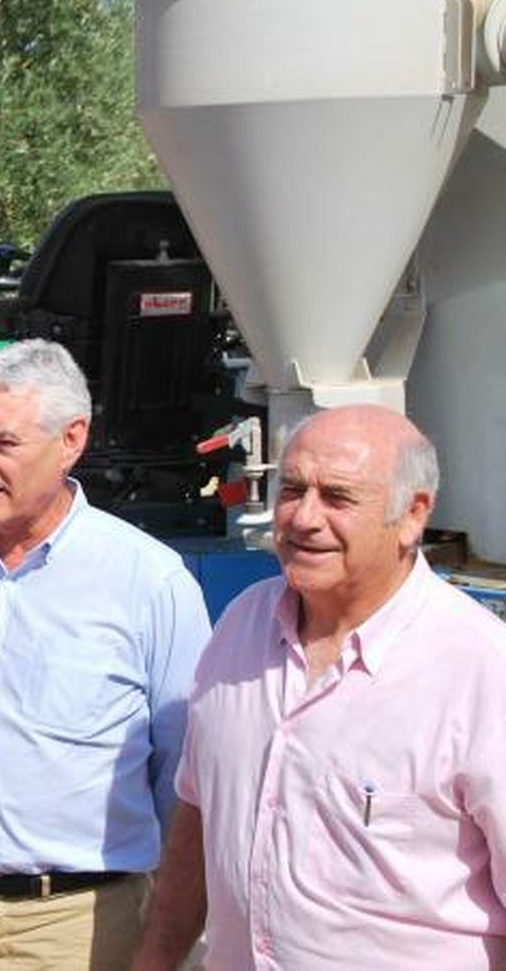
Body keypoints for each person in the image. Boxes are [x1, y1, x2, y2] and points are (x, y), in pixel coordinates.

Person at [133, 405, 506, 970]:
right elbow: (199, 814)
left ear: (413, 515)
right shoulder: (241, 627)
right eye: (292, 490)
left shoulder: (479, 669)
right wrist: (157, 958)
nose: (303, 517)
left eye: (337, 497)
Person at [0, 338, 211, 970]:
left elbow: (187, 774)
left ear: (71, 440)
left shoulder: (148, 582)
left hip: (75, 926)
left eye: (1, 443)